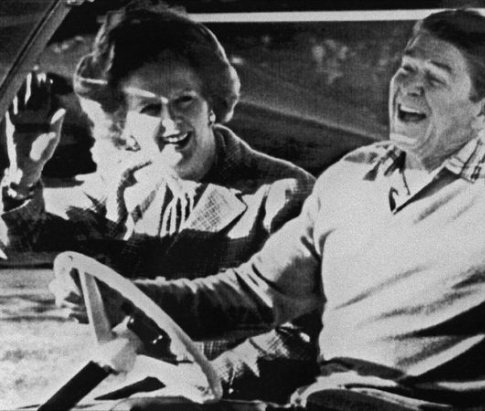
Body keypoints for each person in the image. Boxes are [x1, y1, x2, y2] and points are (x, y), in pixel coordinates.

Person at [54, 3, 485, 410]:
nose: (408, 88)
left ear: (484, 111)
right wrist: (127, 298)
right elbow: (255, 294)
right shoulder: (351, 178)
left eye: (435, 78)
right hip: (325, 401)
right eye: (406, 69)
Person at [2, 3, 320, 402]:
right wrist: (24, 176)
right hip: (144, 385)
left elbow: (303, 336)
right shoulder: (125, 183)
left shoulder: (285, 194)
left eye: (185, 100)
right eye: (150, 108)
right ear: (124, 123)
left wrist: (202, 387)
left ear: (212, 105)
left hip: (239, 395)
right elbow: (27, 241)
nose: (171, 123)